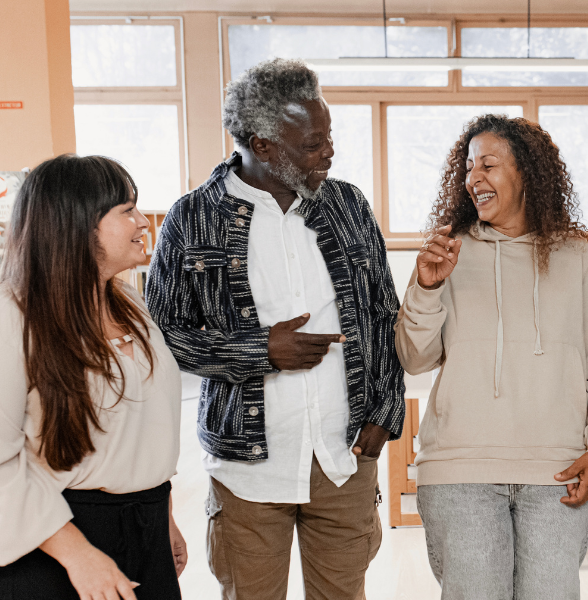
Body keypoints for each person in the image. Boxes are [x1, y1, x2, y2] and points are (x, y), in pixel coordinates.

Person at [146, 58, 405, 600]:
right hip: (246, 469)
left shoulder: (349, 205)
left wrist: (386, 412)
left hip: (345, 458)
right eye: (313, 143)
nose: (329, 152)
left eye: (329, 137)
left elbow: (384, 316)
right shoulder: (192, 218)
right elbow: (163, 336)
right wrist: (261, 349)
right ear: (262, 145)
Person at [394, 114, 588, 600]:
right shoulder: (449, 251)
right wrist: (426, 288)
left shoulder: (575, 256)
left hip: (557, 471)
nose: (472, 178)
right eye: (468, 167)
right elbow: (415, 360)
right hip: (460, 470)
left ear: (527, 174)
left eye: (489, 165)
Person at [0, 155, 187, 599]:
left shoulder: (131, 307)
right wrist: (78, 555)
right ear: (78, 225)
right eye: (126, 210)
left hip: (142, 525)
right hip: (49, 542)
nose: (142, 222)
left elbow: (144, 428)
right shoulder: (3, 322)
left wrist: (163, 518)